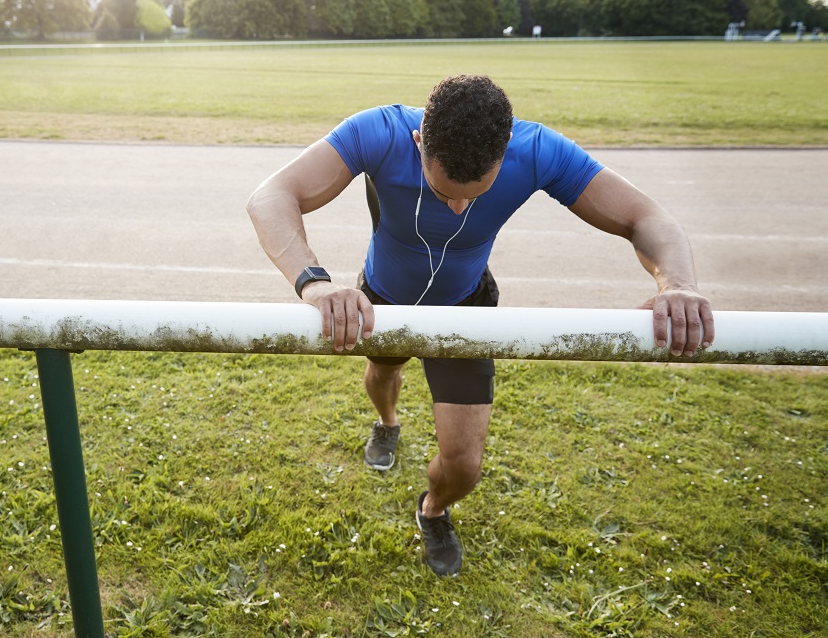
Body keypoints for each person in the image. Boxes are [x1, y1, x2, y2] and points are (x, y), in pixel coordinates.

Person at [246, 74, 714, 577]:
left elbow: (646, 217)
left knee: (465, 467)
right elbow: (271, 196)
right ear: (419, 141)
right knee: (383, 377)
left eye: (475, 194)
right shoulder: (378, 130)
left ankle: (433, 508)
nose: (459, 208)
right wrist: (315, 284)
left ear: (506, 147)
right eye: (444, 191)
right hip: (383, 299)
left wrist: (678, 284)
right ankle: (388, 424)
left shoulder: (536, 149)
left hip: (466, 309)